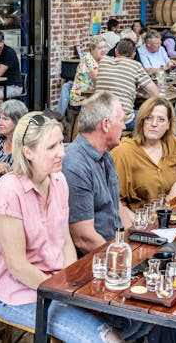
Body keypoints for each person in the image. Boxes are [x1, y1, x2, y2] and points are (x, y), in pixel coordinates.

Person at [0, 112, 148, 342]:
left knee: (139, 320)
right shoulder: (8, 192)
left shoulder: (57, 180)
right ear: (28, 152)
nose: (62, 152)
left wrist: (73, 285)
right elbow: (16, 265)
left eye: (61, 143)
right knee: (106, 338)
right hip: (13, 292)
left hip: (56, 281)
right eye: (52, 147)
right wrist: (64, 293)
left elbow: (65, 241)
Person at [111, 97, 176, 211]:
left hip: (170, 218)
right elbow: (114, 201)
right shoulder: (123, 152)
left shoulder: (172, 144)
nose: (154, 124)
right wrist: (137, 225)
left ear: (168, 124)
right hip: (139, 222)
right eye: (149, 118)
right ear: (141, 121)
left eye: (161, 119)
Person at [62, 92, 126, 254]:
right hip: (94, 263)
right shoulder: (75, 165)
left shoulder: (106, 156)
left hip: (113, 249)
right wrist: (122, 262)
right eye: (121, 120)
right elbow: (84, 238)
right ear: (105, 124)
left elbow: (116, 207)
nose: (124, 126)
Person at [91, 38, 159, 129]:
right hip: (122, 120)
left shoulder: (103, 61)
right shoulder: (136, 66)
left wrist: (133, 92)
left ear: (116, 51)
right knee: (153, 120)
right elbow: (155, 93)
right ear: (134, 54)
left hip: (99, 117)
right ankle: (137, 143)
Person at [69, 36, 108, 108]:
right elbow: (98, 81)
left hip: (92, 96)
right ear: (92, 49)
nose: (103, 50)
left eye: (105, 47)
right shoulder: (88, 60)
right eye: (100, 48)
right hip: (81, 100)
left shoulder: (100, 60)